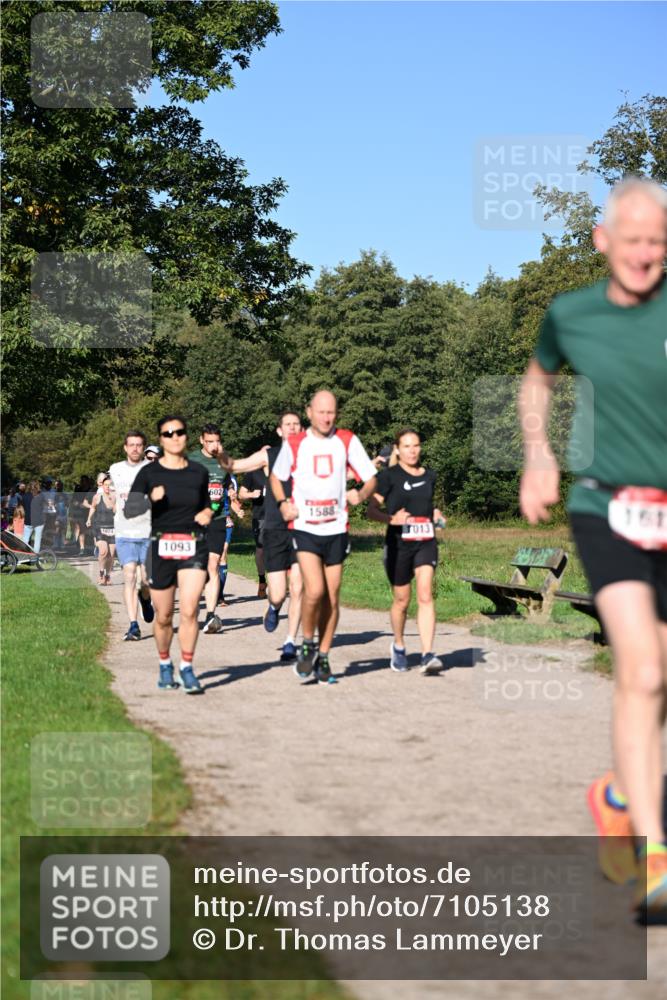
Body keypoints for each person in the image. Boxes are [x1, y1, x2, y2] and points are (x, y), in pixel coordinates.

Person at [518, 176, 667, 916]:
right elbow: (536, 378)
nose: (644, 254)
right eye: (631, 239)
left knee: (661, 675)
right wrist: (538, 455)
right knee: (640, 673)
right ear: (604, 241)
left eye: (657, 242)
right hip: (605, 508)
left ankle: (614, 794)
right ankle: (655, 859)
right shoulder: (569, 314)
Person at [270, 390, 378, 685]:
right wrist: (283, 504)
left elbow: (370, 477)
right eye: (321, 412)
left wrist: (361, 493)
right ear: (309, 412)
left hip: (336, 528)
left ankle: (325, 656)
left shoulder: (346, 440)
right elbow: (276, 478)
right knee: (314, 590)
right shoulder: (295, 444)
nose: (326, 417)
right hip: (305, 527)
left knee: (332, 595)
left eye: (331, 412)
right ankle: (307, 643)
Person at [125, 415, 213, 693]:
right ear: (161, 439)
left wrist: (207, 513)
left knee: (188, 610)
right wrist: (151, 498)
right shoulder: (150, 474)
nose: (175, 437)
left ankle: (187, 667)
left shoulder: (198, 472)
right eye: (168, 433)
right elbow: (130, 511)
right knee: (164, 617)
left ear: (186, 436)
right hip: (162, 546)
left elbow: (207, 505)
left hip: (193, 544)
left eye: (179, 432)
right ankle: (165, 664)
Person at [223, 413, 305, 662]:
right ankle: (274, 606)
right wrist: (218, 453)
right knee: (279, 593)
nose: (292, 428)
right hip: (275, 528)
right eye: (287, 425)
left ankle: (290, 641)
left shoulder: (313, 454)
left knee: (299, 587)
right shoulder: (268, 455)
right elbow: (236, 466)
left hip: (303, 527)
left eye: (296, 425)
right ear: (279, 431)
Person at [367, 429, 445, 674]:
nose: (413, 450)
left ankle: (427, 654)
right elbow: (371, 510)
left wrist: (436, 514)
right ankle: (399, 645)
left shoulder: (429, 476)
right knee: (402, 601)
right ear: (398, 449)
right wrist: (391, 519)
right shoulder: (388, 477)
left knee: (425, 595)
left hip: (425, 541)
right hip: (399, 544)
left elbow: (426, 506)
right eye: (407, 446)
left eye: (416, 446)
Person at [186, 423, 241, 633]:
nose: (213, 445)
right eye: (209, 441)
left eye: (217, 441)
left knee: (213, 565)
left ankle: (210, 614)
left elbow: (228, 483)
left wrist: (231, 494)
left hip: (217, 519)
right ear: (201, 440)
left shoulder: (224, 461)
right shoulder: (191, 460)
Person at [109, 430, 154, 641]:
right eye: (131, 445)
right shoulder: (115, 469)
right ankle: (133, 625)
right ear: (125, 448)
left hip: (147, 531)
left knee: (145, 580)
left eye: (139, 445)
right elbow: (114, 497)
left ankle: (145, 599)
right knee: (129, 576)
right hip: (124, 531)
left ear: (143, 448)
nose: (135, 448)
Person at [239, 465, 268, 598]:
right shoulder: (253, 473)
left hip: (279, 517)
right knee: (261, 549)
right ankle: (262, 581)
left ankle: (279, 581)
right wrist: (252, 494)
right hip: (260, 517)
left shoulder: (280, 471)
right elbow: (241, 493)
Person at [86, 473, 116, 585]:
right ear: (102, 486)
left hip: (113, 528)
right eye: (106, 485)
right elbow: (93, 507)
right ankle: (101, 575)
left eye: (110, 485)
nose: (108, 487)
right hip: (99, 527)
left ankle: (108, 576)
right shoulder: (97, 497)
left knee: (111, 554)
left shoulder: (115, 497)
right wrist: (89, 519)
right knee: (103, 552)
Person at [23, 481, 46, 552]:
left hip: (28, 520)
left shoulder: (25, 496)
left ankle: (24, 555)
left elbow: (24, 508)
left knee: (25, 540)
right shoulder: (41, 496)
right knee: (37, 540)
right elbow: (43, 508)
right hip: (38, 520)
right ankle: (35, 557)